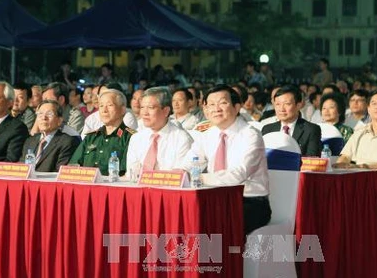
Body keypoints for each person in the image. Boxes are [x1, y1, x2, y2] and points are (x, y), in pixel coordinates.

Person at [183, 85, 270, 235]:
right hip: (213, 198)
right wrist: (181, 174)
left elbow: (237, 175)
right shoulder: (206, 135)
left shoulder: (250, 135)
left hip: (249, 201)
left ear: (237, 107)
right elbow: (188, 165)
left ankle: (225, 258)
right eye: (211, 104)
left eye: (222, 103)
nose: (216, 108)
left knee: (212, 222)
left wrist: (198, 177)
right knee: (183, 216)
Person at [334, 89, 377, 210]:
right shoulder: (360, 132)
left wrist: (364, 168)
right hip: (357, 179)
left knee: (365, 199)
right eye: (374, 104)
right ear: (369, 109)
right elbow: (344, 156)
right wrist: (340, 167)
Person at [69, 89, 135, 176]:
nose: (104, 110)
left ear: (122, 109)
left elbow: (126, 173)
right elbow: (72, 167)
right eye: (101, 106)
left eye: (110, 105)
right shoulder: (91, 137)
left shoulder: (131, 137)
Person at [127, 87, 193, 171]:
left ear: (166, 111)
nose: (144, 113)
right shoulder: (136, 138)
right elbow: (131, 173)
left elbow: (180, 175)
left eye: (150, 107)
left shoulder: (182, 139)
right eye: (142, 107)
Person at [262, 85, 322, 156]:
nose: (281, 109)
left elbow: (311, 159)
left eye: (287, 104)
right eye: (277, 104)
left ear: (298, 105)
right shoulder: (267, 129)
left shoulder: (311, 130)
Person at [21, 100, 80, 172]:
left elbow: (60, 172)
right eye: (40, 114)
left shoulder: (67, 142)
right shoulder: (30, 141)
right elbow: (22, 166)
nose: (44, 118)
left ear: (59, 120)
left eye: (49, 114)